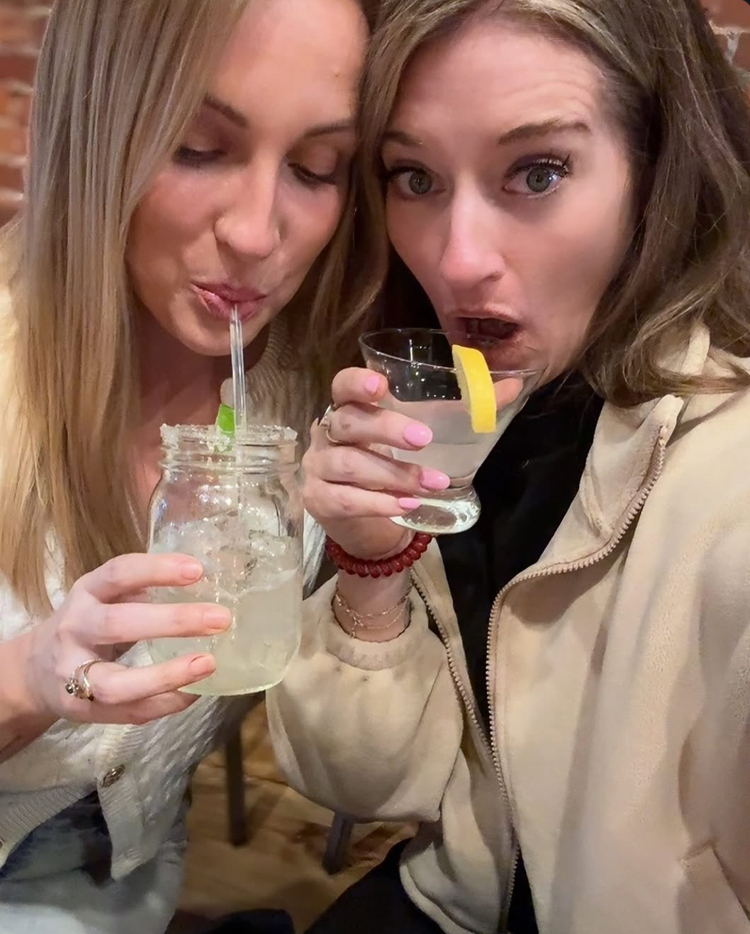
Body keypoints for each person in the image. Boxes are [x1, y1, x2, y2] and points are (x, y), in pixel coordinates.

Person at [266, 0, 750, 931]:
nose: (458, 260)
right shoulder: (451, 412)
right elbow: (366, 786)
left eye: (537, 172)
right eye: (415, 177)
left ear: (657, 173)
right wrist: (371, 566)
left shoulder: (727, 467)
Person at [0, 0, 370, 930]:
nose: (256, 232)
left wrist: (378, 568)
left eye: (315, 168)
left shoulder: (312, 403)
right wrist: (29, 680)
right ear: (100, 131)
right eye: (197, 148)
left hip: (135, 858)